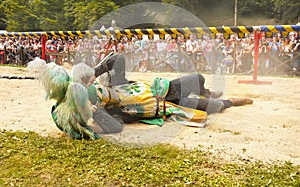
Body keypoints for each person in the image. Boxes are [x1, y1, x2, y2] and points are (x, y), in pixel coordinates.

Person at [28, 53, 253, 140]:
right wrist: (97, 115)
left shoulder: (115, 84)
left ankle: (204, 89)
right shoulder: (113, 112)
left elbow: (118, 59)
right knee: (212, 105)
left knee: (198, 78)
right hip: (165, 105)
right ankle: (229, 101)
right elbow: (116, 128)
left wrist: (92, 75)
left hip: (162, 87)